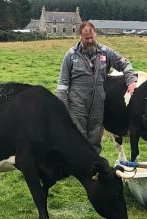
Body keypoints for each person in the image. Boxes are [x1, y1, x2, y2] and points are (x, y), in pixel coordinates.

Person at [57, 21, 137, 154]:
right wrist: (63, 108)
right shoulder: (71, 55)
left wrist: (131, 80)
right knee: (78, 135)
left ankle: (94, 165)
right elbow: (62, 84)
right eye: (86, 38)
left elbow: (125, 63)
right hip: (77, 102)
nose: (89, 41)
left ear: (95, 35)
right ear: (80, 37)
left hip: (98, 102)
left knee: (95, 136)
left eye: (91, 37)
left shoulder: (105, 53)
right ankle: (79, 168)